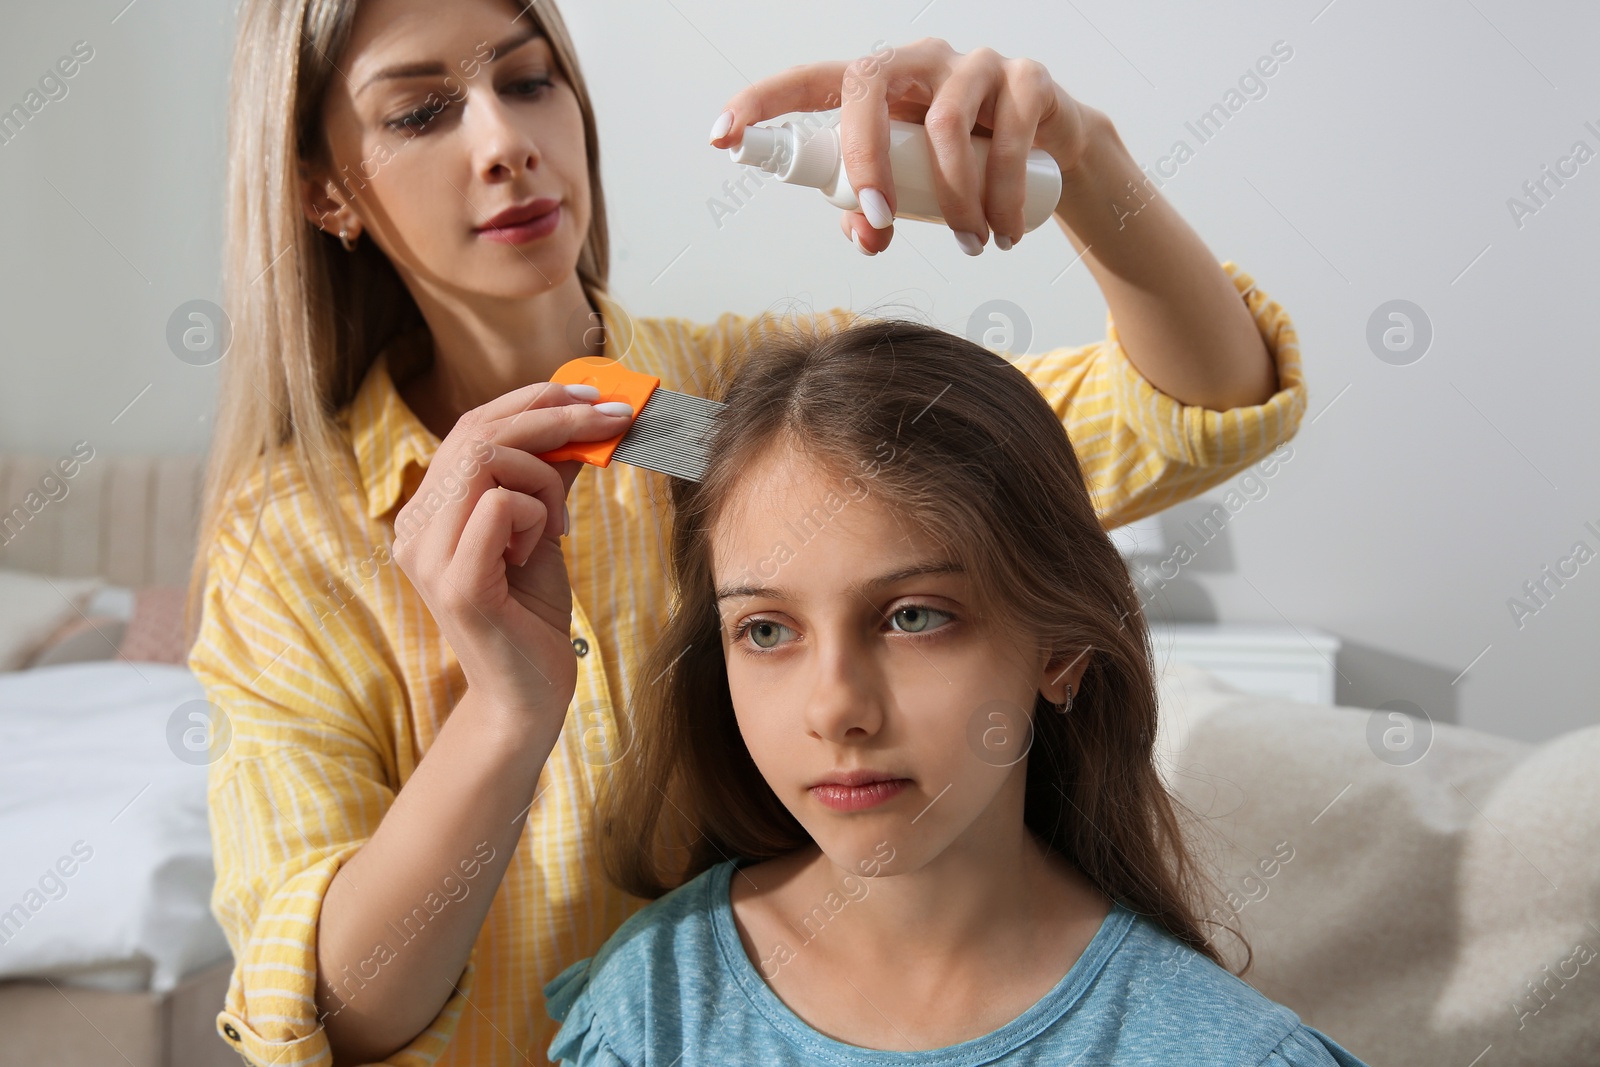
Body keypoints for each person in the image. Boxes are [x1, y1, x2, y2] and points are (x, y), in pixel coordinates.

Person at [187, 0, 1307, 1062]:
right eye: (420, 112)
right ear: (323, 190)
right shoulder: (286, 544)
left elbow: (1195, 410)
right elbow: (330, 1010)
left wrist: (1081, 162)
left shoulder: (762, 407)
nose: (505, 142)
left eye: (529, 81)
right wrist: (506, 714)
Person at [544, 318, 1361, 1066]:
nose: (835, 709)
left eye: (911, 617)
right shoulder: (653, 1008)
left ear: (1063, 648)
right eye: (765, 630)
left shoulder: (1229, 1050)